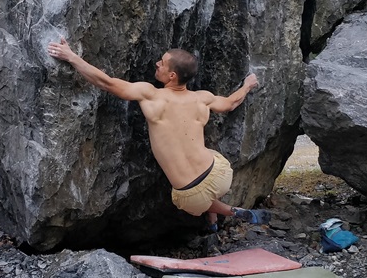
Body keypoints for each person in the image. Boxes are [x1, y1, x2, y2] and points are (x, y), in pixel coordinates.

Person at [46, 39, 269, 238]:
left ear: (172, 75)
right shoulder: (203, 98)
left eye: (162, 63)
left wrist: (71, 57)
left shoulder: (151, 95)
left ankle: (229, 211)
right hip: (220, 175)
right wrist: (248, 85)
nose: (157, 64)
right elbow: (231, 103)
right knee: (202, 149)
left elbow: (107, 83)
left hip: (192, 195)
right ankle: (212, 222)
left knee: (189, 199)